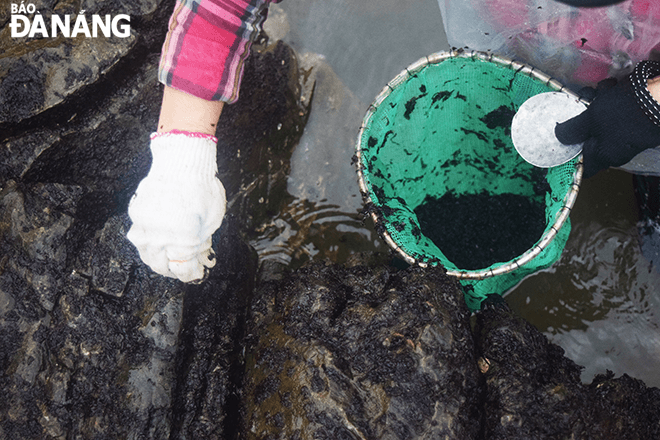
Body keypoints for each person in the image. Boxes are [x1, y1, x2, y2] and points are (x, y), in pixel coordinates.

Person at [128, 0, 660, 282]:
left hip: (646, 91)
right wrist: (182, 149)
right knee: (497, 126)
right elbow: (223, 8)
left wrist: (648, 102)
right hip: (502, 54)